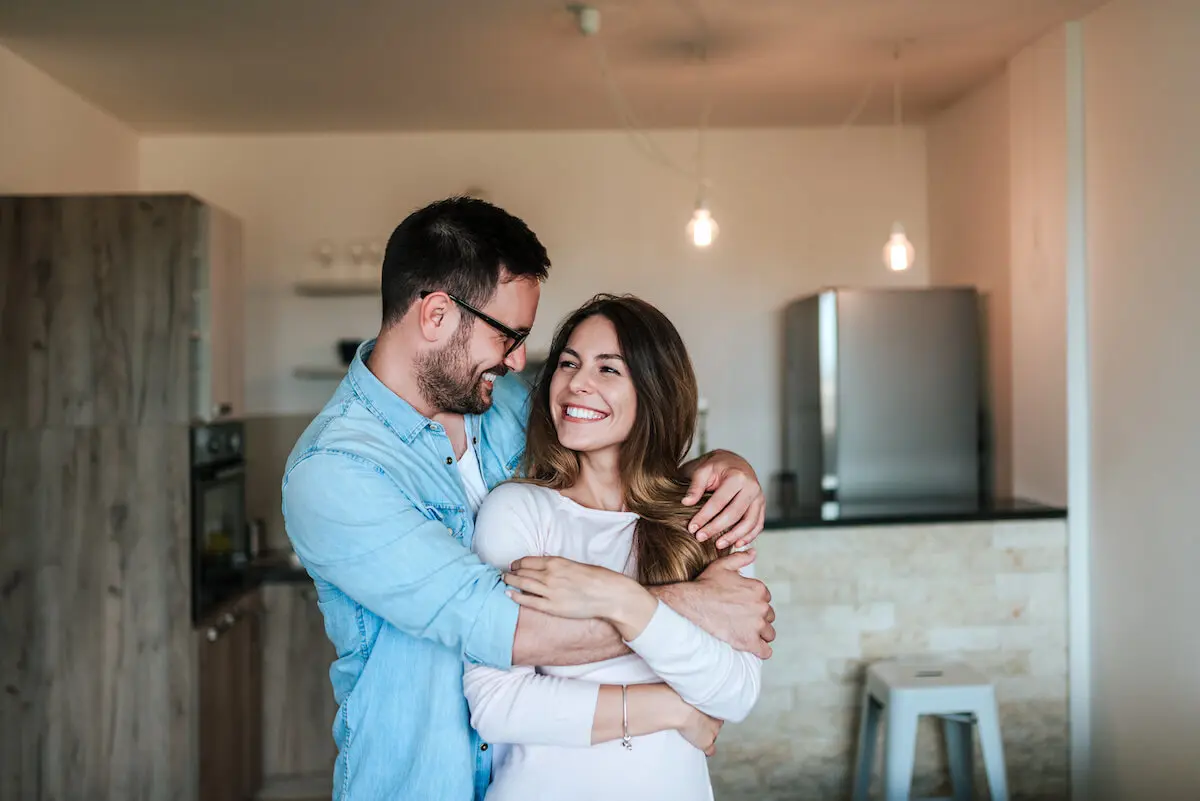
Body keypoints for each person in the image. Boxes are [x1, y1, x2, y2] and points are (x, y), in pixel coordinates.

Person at [281, 196, 774, 801]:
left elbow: (620, 442)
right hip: (422, 783)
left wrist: (724, 467)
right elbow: (503, 627)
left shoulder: (504, 405)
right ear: (436, 315)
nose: (519, 361)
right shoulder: (335, 471)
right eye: (509, 336)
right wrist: (693, 608)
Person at [463, 294, 762, 801]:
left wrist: (618, 598)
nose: (578, 382)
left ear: (655, 392)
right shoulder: (518, 511)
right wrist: (676, 710)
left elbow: (735, 692)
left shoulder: (704, 517)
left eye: (608, 369)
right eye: (568, 363)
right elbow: (496, 706)